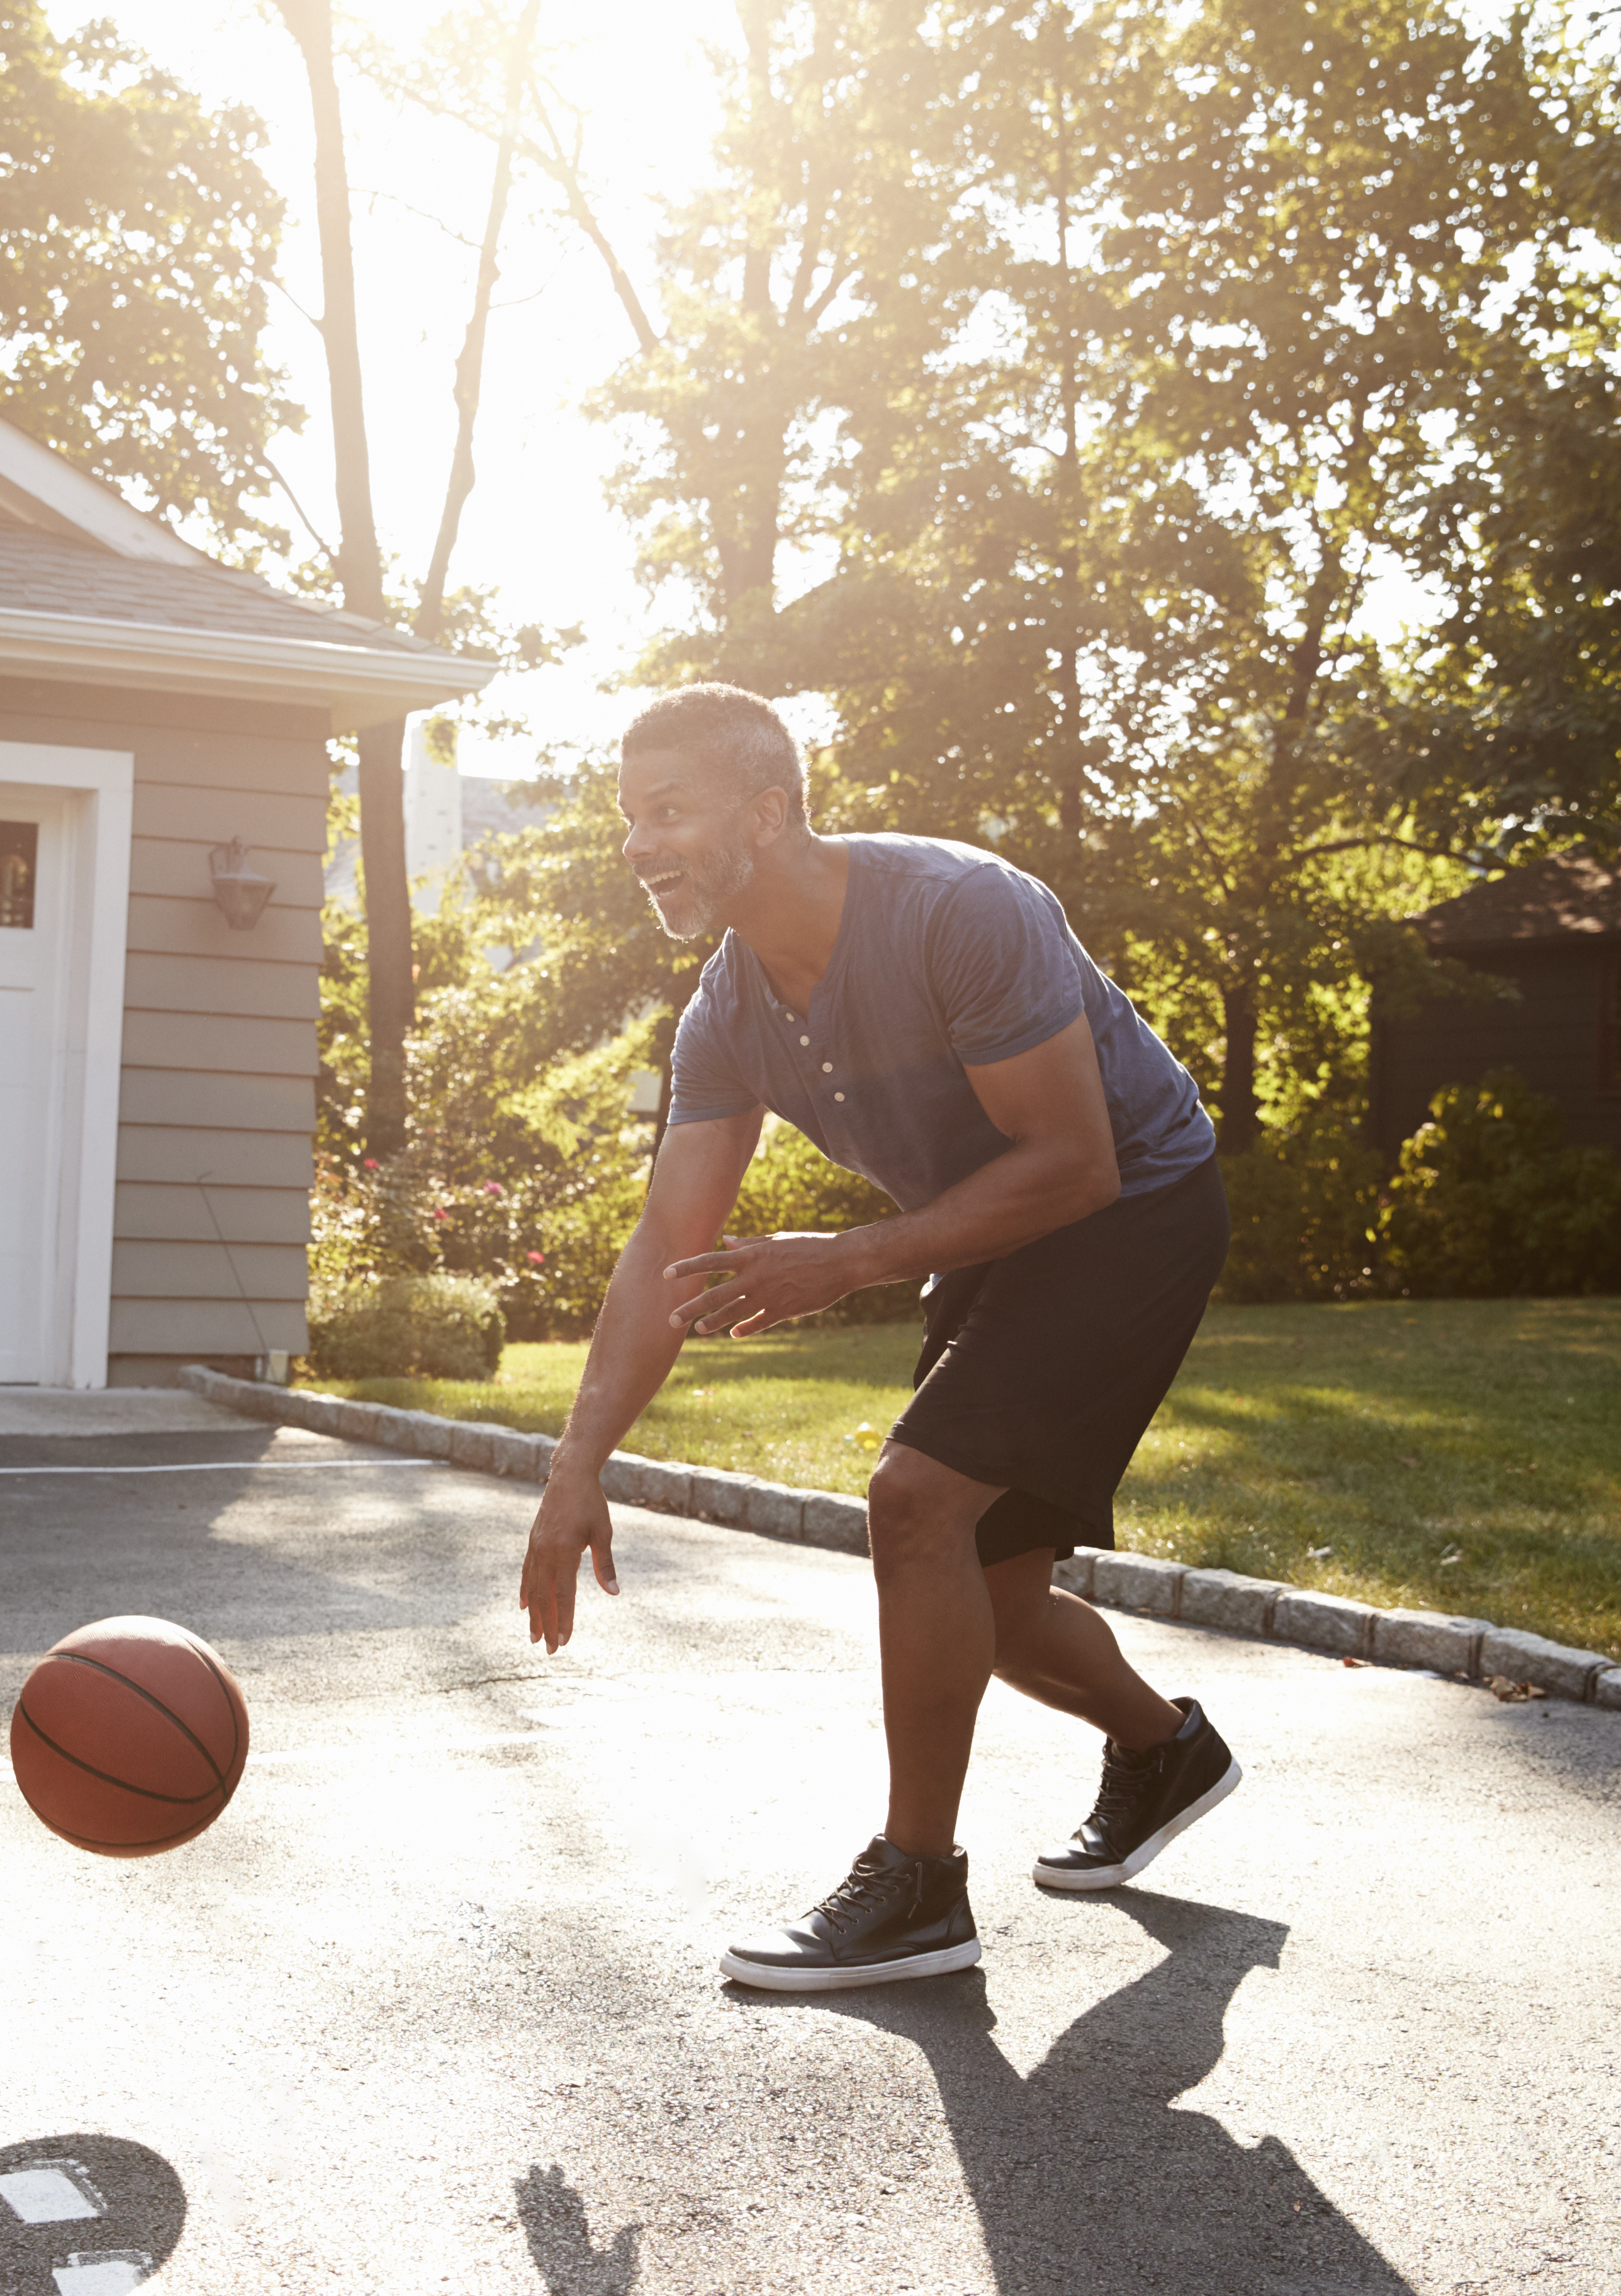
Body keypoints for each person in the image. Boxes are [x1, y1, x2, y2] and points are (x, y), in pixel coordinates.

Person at [519, 684, 1238, 1993]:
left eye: (666, 811)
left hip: (1132, 1201)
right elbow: (662, 1248)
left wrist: (843, 1262)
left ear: (769, 809)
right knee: (990, 1605)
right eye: (630, 819)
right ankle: (1163, 1747)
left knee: (915, 1504)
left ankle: (918, 1887)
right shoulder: (726, 1017)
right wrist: (577, 1466)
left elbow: (1074, 1165)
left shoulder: (960, 911)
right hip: (996, 1231)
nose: (638, 845)